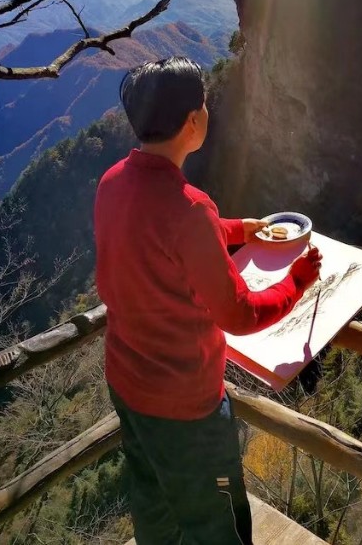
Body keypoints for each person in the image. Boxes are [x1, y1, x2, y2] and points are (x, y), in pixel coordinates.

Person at [95, 56, 322, 545]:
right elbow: (239, 314)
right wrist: (297, 281)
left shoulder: (114, 181)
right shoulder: (191, 207)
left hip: (128, 384)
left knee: (153, 500)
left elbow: (165, 234)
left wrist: (242, 229)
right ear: (193, 122)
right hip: (185, 406)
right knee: (216, 519)